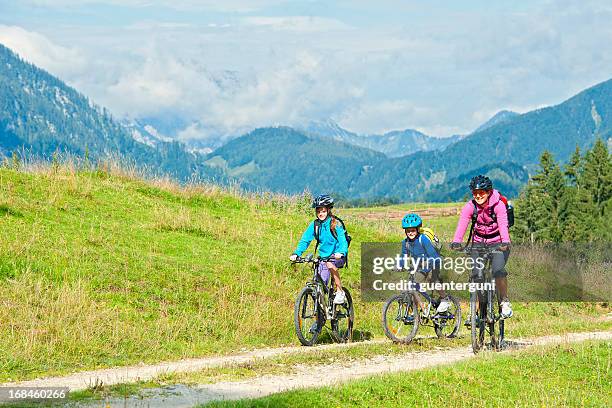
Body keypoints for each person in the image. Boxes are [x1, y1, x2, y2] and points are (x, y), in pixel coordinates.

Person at [451, 175, 512, 318]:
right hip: (479, 242)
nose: (478, 196)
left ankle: (504, 301)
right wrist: (456, 241)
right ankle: (480, 307)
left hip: (498, 242)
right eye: (475, 193)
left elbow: (503, 225)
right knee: (476, 275)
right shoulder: (470, 207)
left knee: (498, 271)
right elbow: (463, 224)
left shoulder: (498, 206)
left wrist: (505, 242)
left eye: (481, 193)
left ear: (489, 192)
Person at [290, 194, 348, 304]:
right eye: (318, 211)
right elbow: (305, 240)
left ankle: (340, 292)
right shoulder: (315, 224)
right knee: (320, 285)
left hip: (337, 256)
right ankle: (321, 315)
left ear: (328, 210)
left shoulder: (335, 223)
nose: (320, 214)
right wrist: (297, 253)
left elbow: (342, 240)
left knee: (330, 265)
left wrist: (341, 252)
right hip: (324, 257)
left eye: (323, 211)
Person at [399, 213, 452, 314]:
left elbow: (433, 256)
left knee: (432, 279)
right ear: (405, 231)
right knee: (414, 284)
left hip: (432, 261)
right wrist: (400, 265)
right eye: (408, 231)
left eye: (413, 230)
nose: (410, 233)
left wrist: (428, 267)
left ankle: (445, 299)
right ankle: (418, 310)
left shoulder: (423, 239)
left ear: (418, 229)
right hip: (419, 265)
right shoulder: (405, 242)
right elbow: (403, 255)